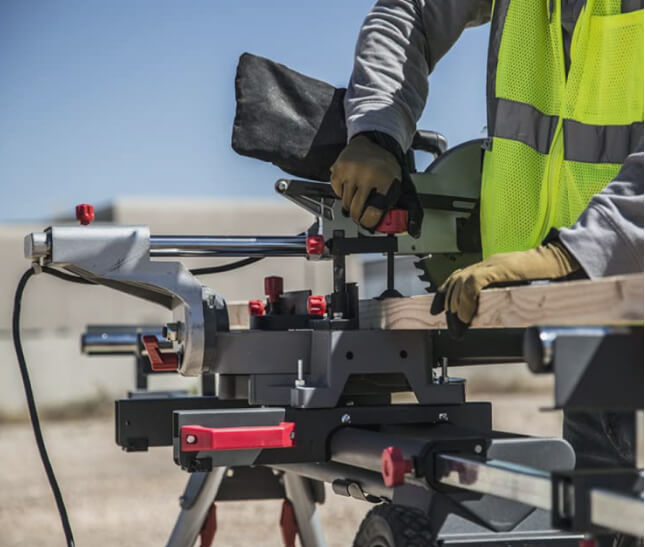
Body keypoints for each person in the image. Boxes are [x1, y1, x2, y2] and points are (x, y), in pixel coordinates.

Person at [331, 1, 643, 544]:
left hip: (609, 271)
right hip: (591, 307)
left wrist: (570, 254)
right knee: (608, 513)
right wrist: (378, 129)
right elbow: (412, 12)